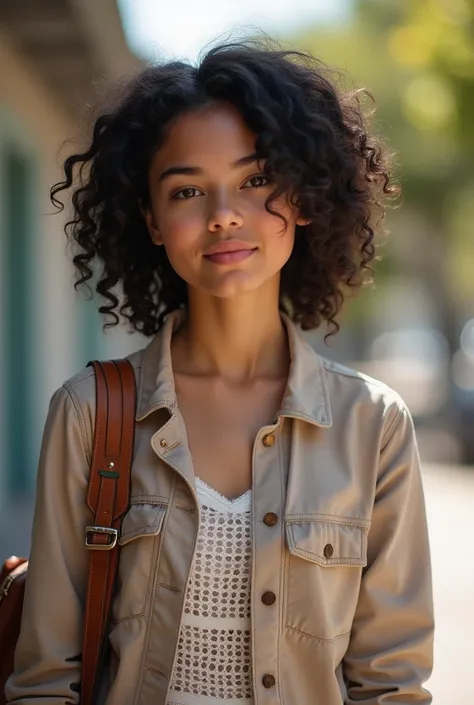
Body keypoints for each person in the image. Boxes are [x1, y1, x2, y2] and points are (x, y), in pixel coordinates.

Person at [5, 37, 434, 705]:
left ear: (304, 196)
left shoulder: (372, 424)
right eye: (187, 189)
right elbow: (43, 680)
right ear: (150, 218)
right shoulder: (90, 411)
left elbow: (392, 684)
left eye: (256, 178)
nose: (224, 212)